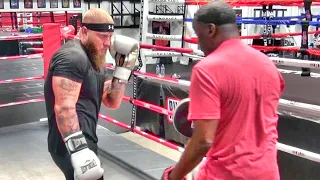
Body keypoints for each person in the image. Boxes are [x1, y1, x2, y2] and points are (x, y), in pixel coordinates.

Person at [161, 1, 285, 180]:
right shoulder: (268, 65)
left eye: (198, 34)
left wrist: (174, 176)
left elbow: (204, 140)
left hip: (226, 174)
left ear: (211, 29)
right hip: (268, 173)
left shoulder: (207, 69)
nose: (198, 43)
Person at [44, 8, 139, 180]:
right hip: (70, 142)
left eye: (110, 37)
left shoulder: (96, 58)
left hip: (85, 138)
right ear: (84, 31)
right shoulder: (72, 57)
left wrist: (123, 70)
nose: (108, 43)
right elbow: (64, 108)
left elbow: (111, 101)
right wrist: (78, 150)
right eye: (103, 36)